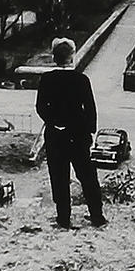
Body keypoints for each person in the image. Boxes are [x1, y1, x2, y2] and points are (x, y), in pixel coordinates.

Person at [35, 37, 107, 229]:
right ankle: (97, 215)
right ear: (72, 57)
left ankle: (64, 217)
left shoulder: (47, 79)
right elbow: (90, 109)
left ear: (53, 58)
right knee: (88, 176)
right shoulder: (81, 79)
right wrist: (88, 131)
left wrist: (55, 122)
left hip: (56, 135)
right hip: (78, 135)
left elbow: (41, 107)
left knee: (59, 176)